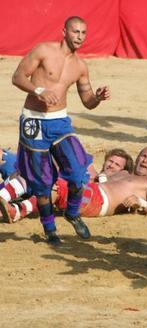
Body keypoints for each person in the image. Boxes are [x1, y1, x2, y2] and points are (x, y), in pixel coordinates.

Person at [11, 16, 110, 245]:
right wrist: (39, 90)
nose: (80, 37)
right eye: (76, 32)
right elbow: (17, 77)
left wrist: (98, 97)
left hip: (60, 121)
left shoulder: (80, 66)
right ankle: (49, 229)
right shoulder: (44, 50)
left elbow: (87, 101)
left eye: (84, 33)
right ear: (64, 31)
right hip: (34, 121)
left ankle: (72, 213)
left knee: (77, 172)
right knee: (42, 182)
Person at [1, 147, 147, 222]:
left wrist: (142, 203)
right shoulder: (123, 173)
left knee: (57, 187)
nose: (145, 160)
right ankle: (7, 201)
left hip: (99, 202)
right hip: (91, 191)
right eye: (143, 156)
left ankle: (17, 211)